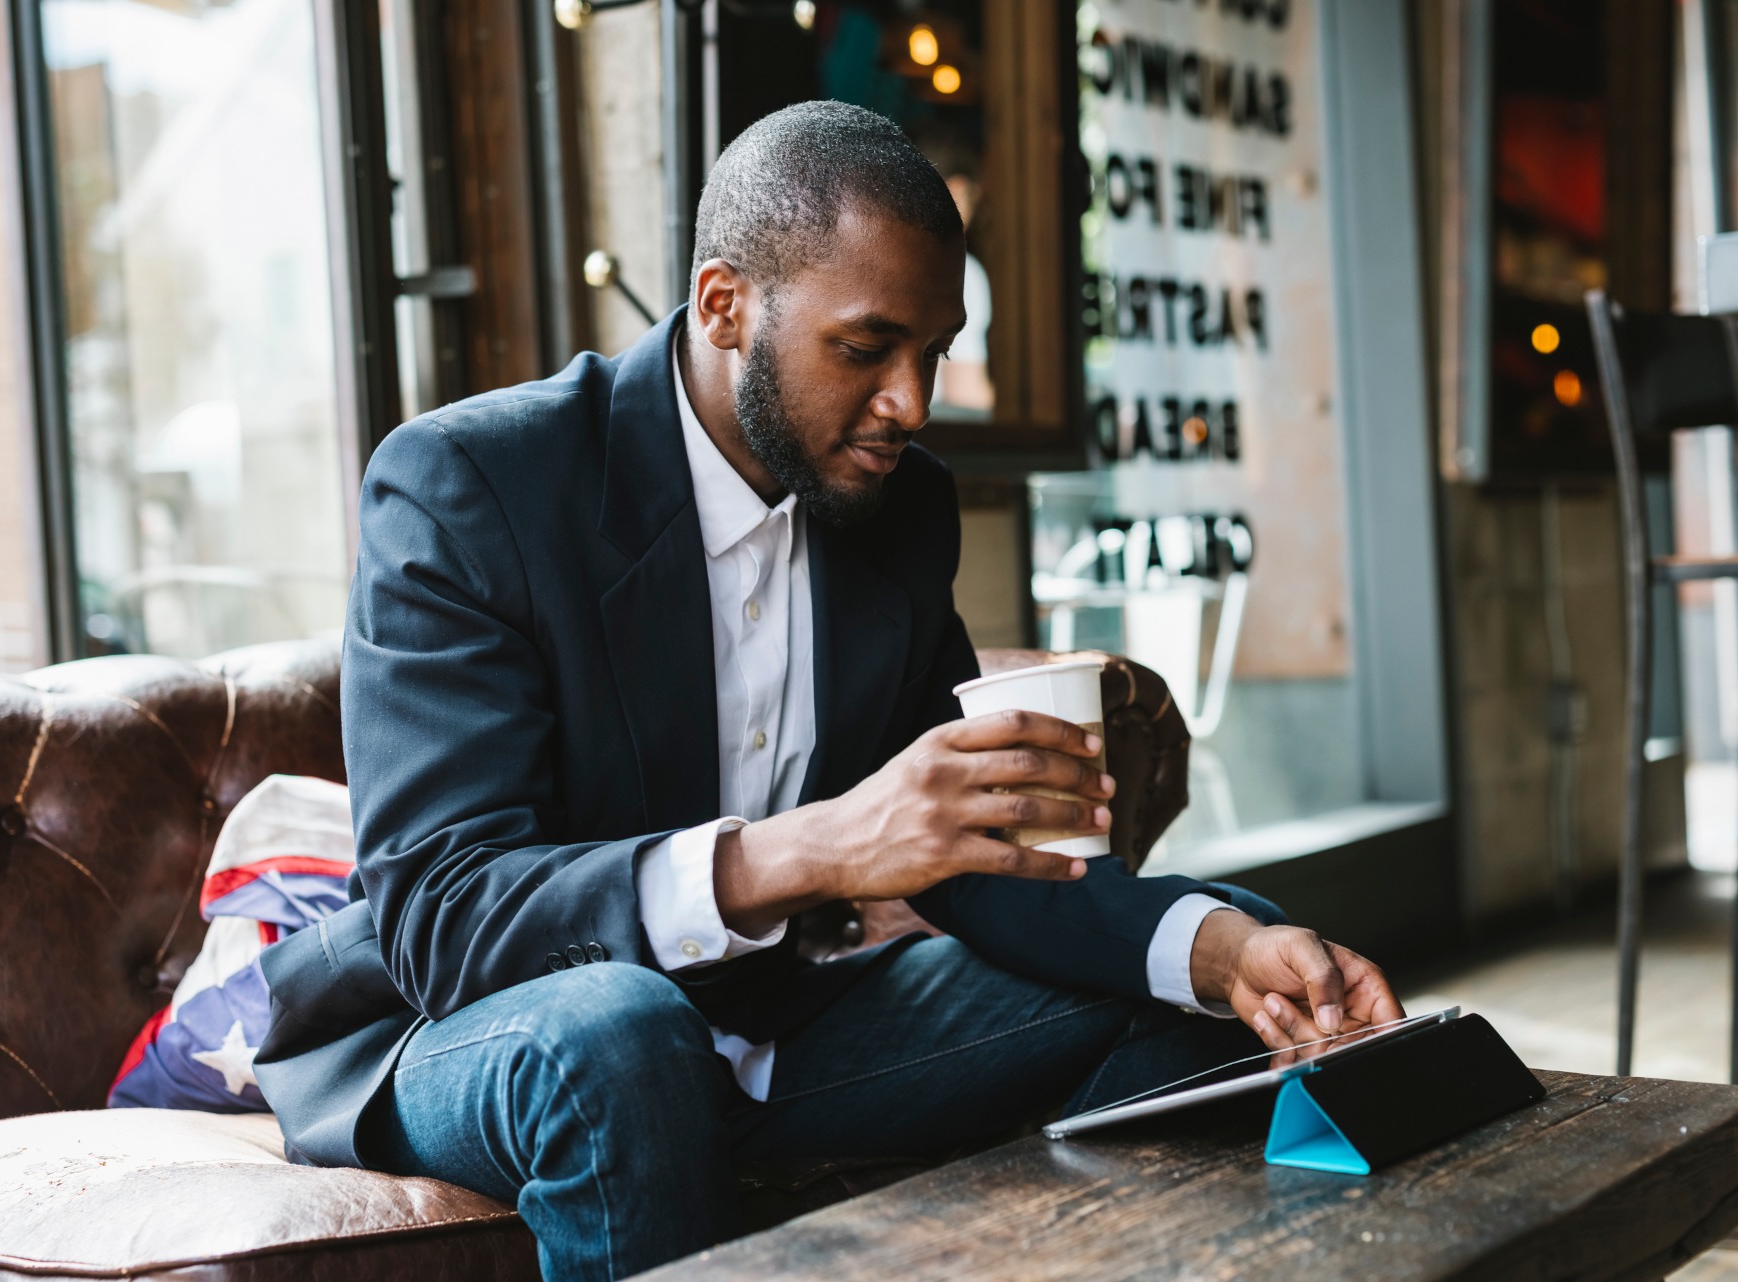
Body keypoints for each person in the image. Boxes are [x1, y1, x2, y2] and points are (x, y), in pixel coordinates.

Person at [254, 101, 1402, 1282]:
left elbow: (968, 848)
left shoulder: (897, 511)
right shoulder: (473, 485)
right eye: (866, 348)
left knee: (1222, 958)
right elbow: (444, 920)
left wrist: (1217, 946)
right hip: (468, 1039)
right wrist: (812, 850)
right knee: (619, 1031)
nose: (912, 401)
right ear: (723, 304)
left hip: (766, 1034)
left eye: (935, 351)